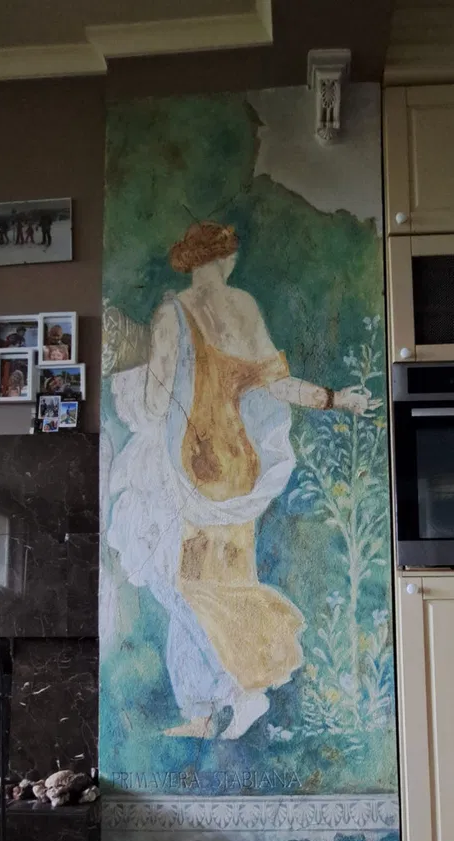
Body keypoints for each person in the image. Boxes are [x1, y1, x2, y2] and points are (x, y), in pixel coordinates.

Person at [106, 221, 379, 741]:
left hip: (191, 468)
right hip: (237, 466)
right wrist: (335, 398)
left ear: (193, 262)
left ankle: (242, 691)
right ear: (225, 260)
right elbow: (280, 385)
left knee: (184, 582)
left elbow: (157, 405)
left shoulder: (172, 314)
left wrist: (129, 383)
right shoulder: (245, 307)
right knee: (225, 581)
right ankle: (205, 708)